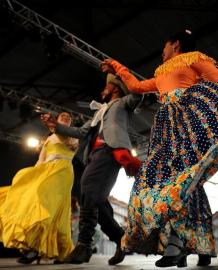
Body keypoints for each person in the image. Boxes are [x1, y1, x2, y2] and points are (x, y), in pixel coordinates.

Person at [101, 29, 218, 267]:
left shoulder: (193, 58)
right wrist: (117, 66)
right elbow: (137, 86)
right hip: (166, 127)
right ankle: (200, 246)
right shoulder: (161, 72)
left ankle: (176, 244)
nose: (161, 52)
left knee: (186, 179)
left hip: (190, 121)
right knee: (183, 183)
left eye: (164, 47)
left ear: (175, 45)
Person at [41, 73, 142, 265]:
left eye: (106, 86)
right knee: (95, 199)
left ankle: (84, 245)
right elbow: (80, 132)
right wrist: (56, 126)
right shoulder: (99, 111)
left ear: (115, 88)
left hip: (110, 151)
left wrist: (118, 70)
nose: (102, 90)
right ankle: (121, 239)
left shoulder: (123, 103)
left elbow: (138, 94)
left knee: (87, 189)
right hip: (94, 155)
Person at [0, 112, 77, 264]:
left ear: (70, 123)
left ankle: (57, 250)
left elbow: (71, 146)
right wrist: (33, 174)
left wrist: (56, 127)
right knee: (35, 202)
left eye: (68, 118)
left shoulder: (72, 136)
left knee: (53, 209)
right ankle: (34, 248)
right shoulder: (48, 139)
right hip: (46, 170)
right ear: (57, 119)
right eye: (62, 116)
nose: (66, 117)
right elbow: (41, 159)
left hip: (62, 173)